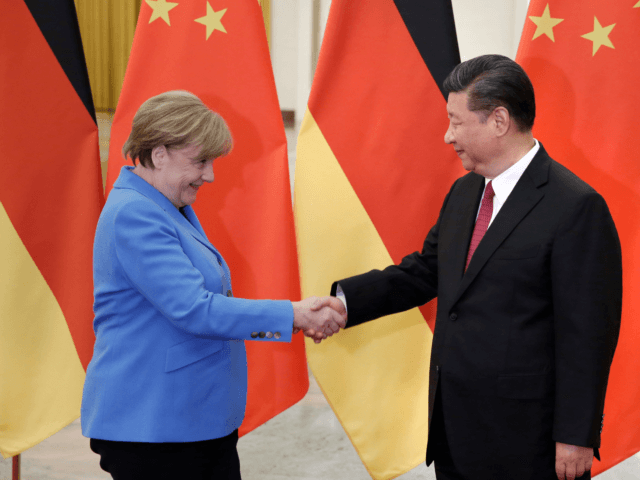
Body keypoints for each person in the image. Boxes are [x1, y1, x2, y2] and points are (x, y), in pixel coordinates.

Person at [329, 55, 622, 480]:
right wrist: (342, 303)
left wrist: (576, 435)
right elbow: (425, 272)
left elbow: (588, 335)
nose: (447, 136)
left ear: (499, 120)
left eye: (457, 121)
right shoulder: (465, 193)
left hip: (528, 440)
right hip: (454, 428)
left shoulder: (575, 207)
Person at [81, 90, 346, 480]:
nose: (210, 174)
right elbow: (195, 308)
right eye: (200, 161)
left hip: (189, 418)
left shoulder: (165, 205)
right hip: (154, 423)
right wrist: (293, 314)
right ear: (159, 154)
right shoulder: (135, 215)